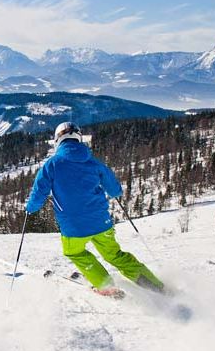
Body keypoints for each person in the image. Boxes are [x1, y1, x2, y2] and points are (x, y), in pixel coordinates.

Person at [26, 122, 164, 296]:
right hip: (101, 222)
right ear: (79, 138)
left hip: (73, 226)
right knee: (115, 255)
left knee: (75, 252)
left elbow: (39, 193)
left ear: (57, 140)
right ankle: (156, 286)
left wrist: (30, 209)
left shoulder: (52, 165)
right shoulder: (94, 163)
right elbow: (115, 190)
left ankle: (105, 285)